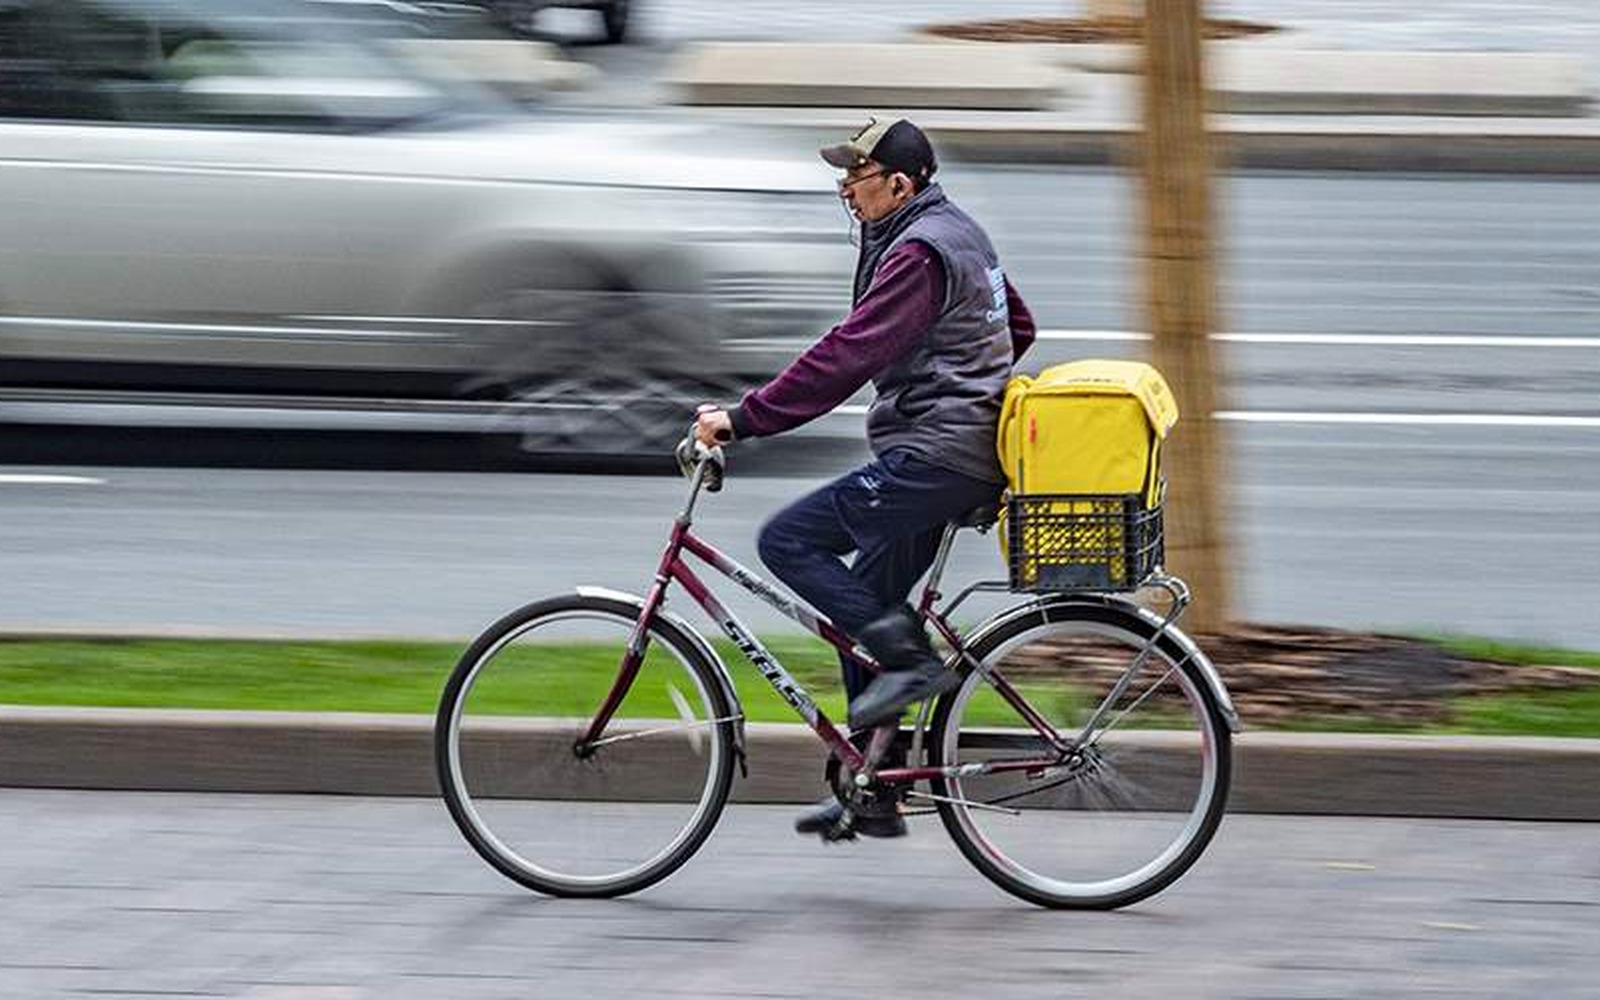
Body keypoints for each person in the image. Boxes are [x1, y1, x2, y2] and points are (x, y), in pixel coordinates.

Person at [694, 118, 1036, 838]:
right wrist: (962, 378)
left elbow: (848, 355)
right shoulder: (954, 232)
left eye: (857, 176)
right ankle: (872, 792)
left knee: (788, 541)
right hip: (945, 448)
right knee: (866, 610)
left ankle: (913, 663)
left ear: (899, 184)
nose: (846, 188)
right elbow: (1018, 325)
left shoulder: (918, 251)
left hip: (939, 456)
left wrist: (746, 419)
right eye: (844, 176)